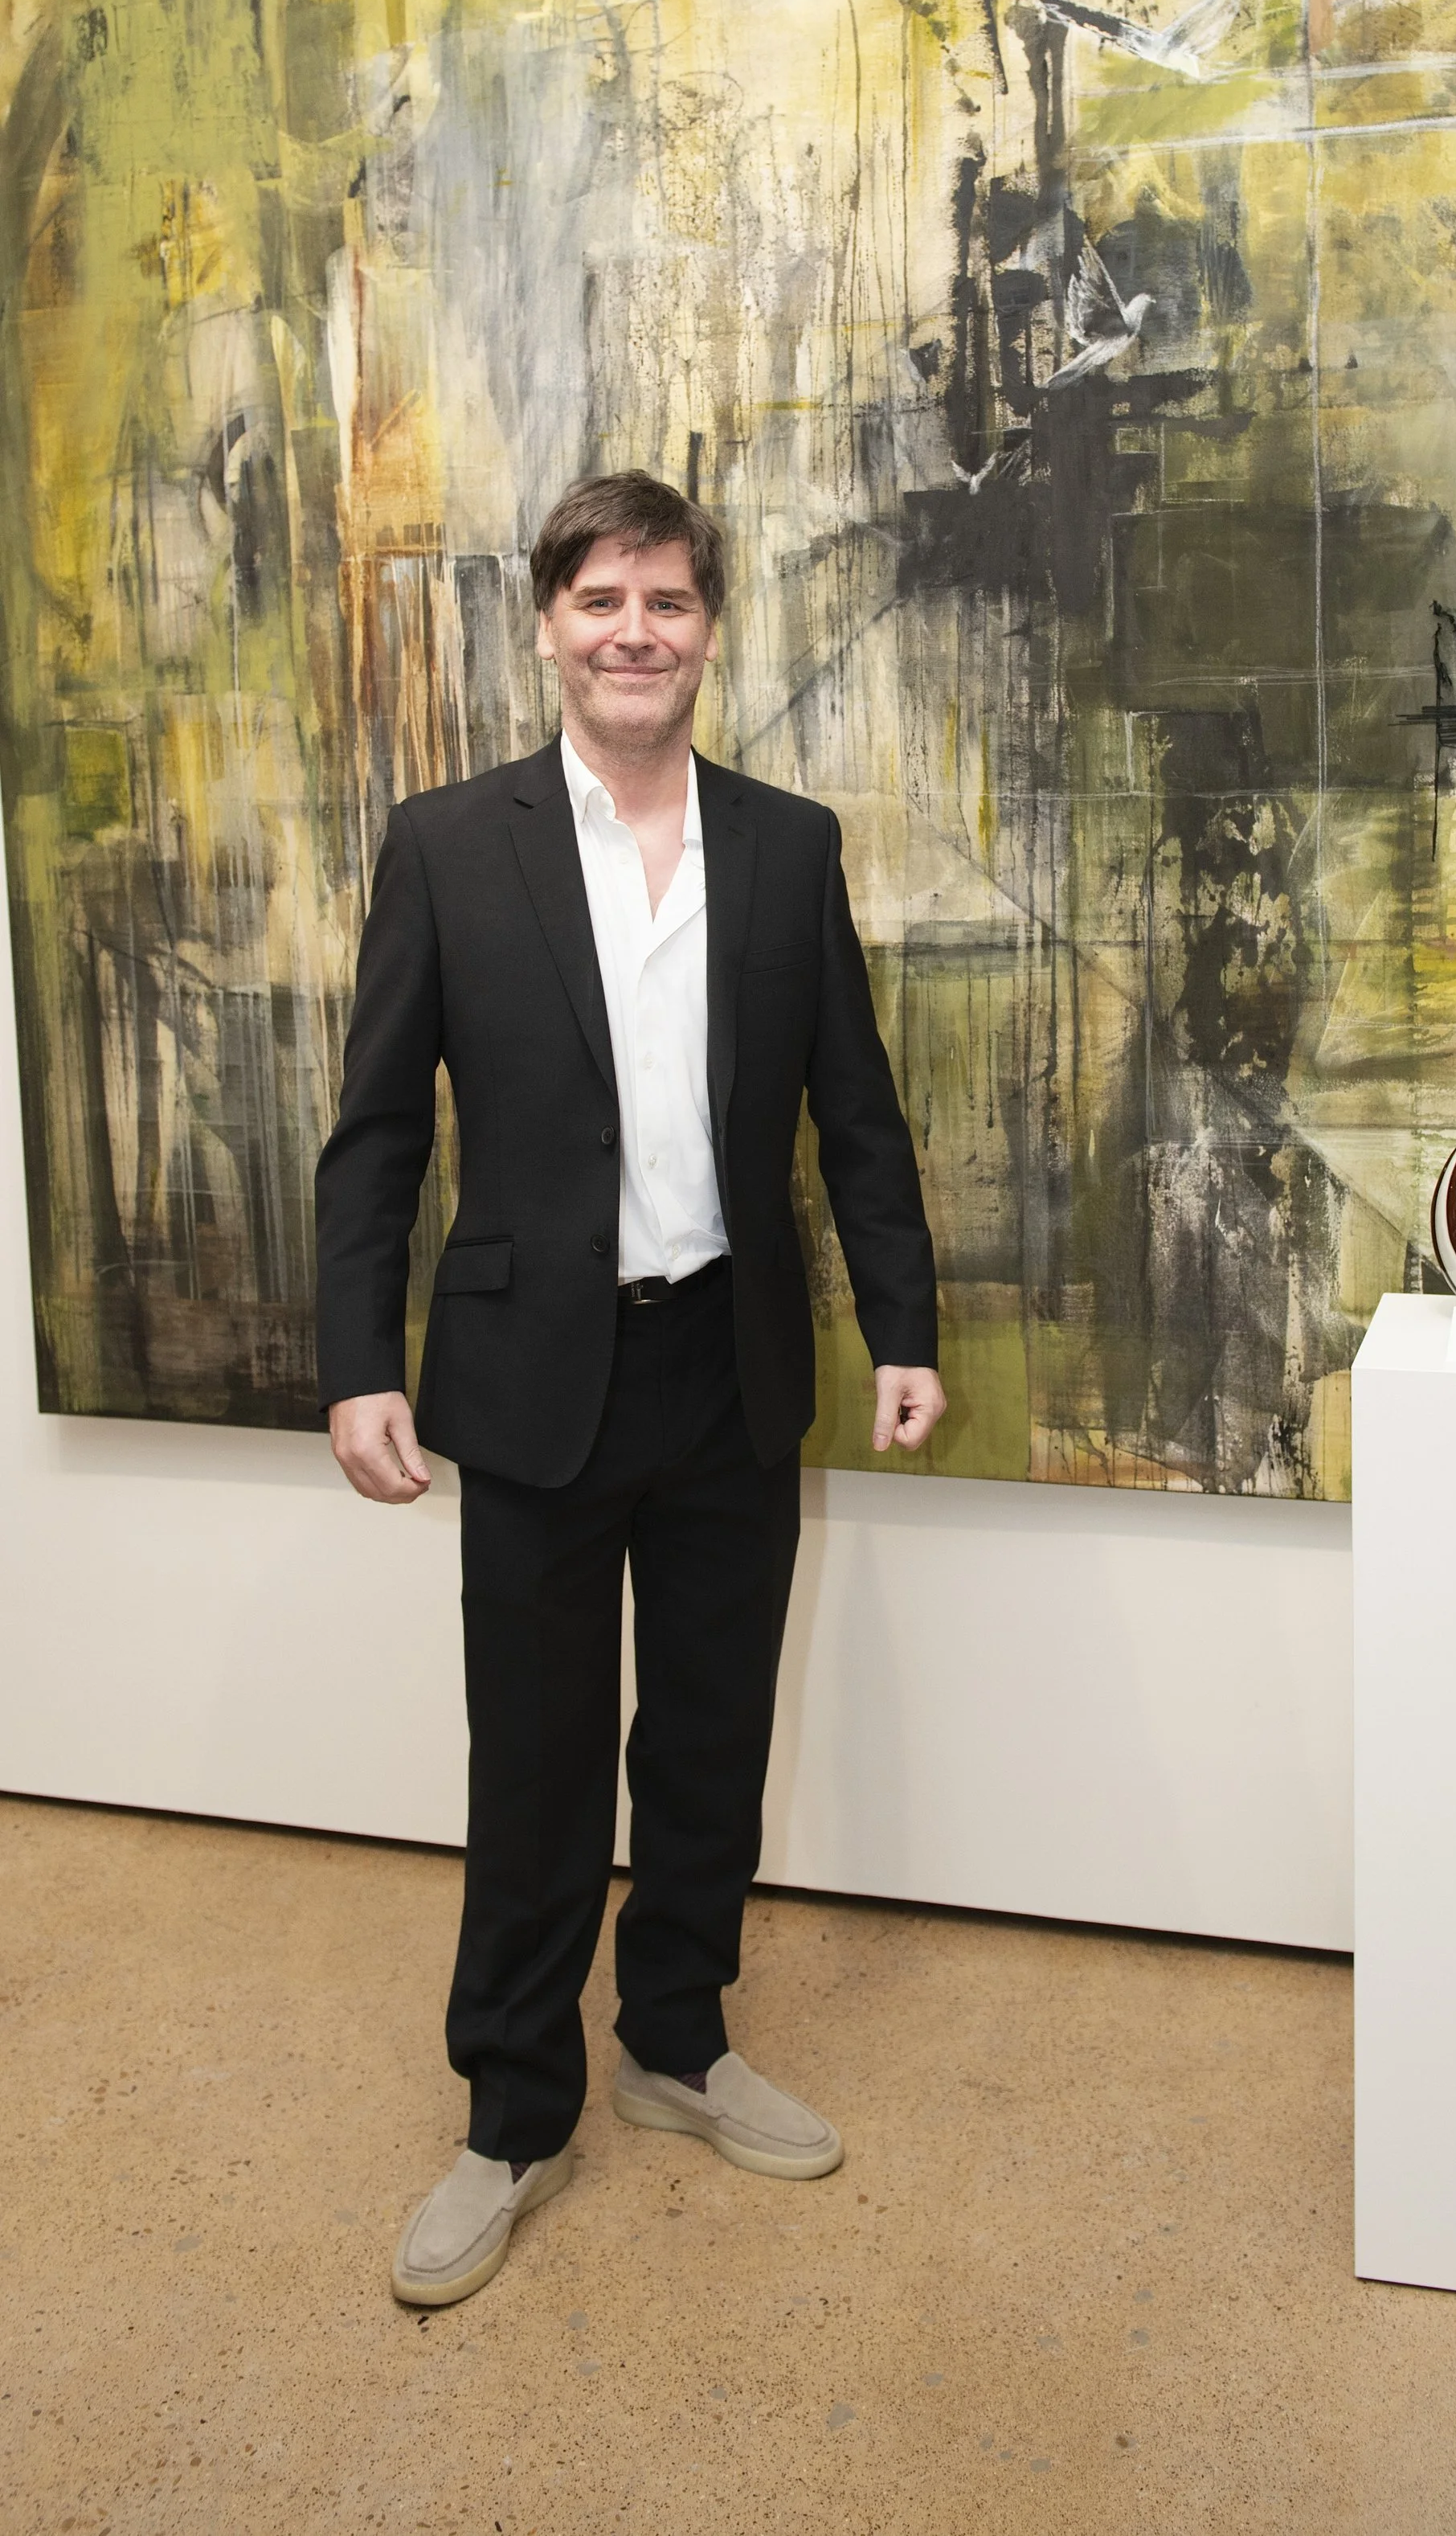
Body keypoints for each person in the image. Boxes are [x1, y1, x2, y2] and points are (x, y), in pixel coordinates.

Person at [315, 469, 945, 2309]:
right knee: (532, 1764)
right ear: (547, 626)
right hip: (524, 1377)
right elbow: (370, 1140)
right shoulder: (447, 846)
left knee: (702, 1742)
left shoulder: (787, 845)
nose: (634, 634)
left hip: (725, 1366)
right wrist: (358, 1362)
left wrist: (898, 1327)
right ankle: (513, 2115)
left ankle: (674, 2043)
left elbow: (858, 1117)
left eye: (666, 602)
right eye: (601, 602)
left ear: (706, 628)